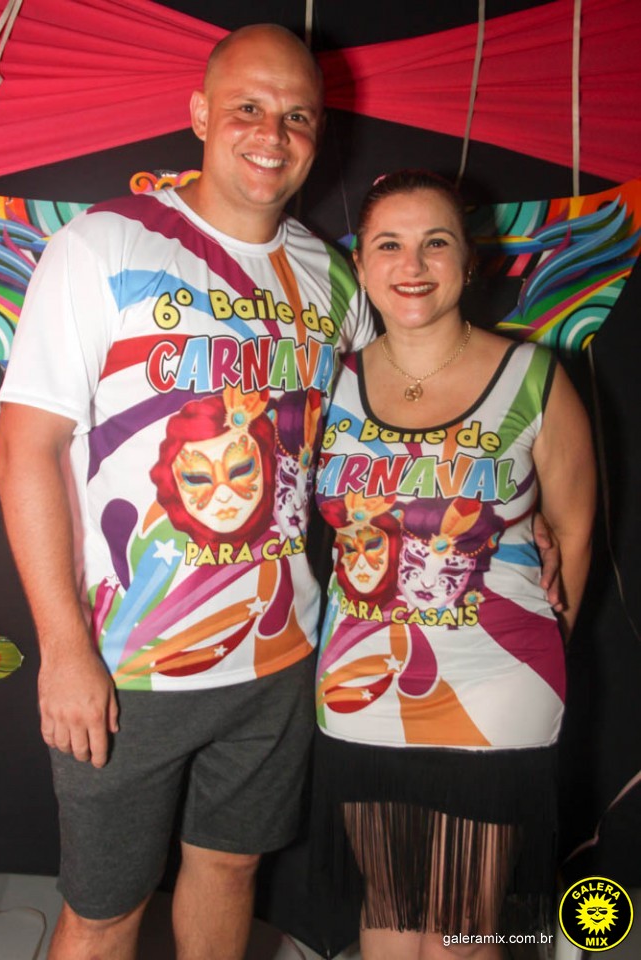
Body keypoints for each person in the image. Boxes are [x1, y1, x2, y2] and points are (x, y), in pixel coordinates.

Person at [0, 24, 375, 960]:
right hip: (130, 665)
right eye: (248, 106)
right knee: (104, 912)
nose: (272, 134)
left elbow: (379, 438)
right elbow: (23, 448)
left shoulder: (333, 277)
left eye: (297, 116)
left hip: (280, 654)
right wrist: (63, 650)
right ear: (200, 113)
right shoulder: (104, 244)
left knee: (231, 869)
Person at [312, 170, 596, 960]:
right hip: (360, 682)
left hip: (498, 679)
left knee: (461, 934)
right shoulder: (327, 381)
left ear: (470, 261)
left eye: (435, 242)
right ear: (361, 266)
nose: (413, 265)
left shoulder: (535, 378)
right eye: (389, 245)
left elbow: (574, 535)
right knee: (390, 913)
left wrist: (540, 645)